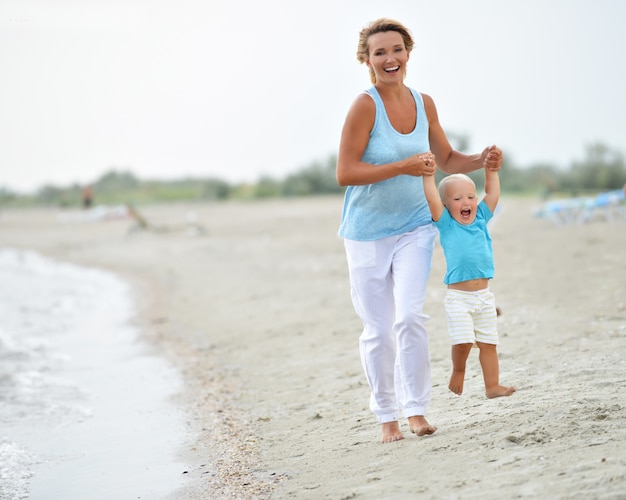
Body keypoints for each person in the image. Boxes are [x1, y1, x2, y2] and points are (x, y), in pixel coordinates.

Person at [336, 17, 504, 443]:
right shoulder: (364, 105)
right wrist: (403, 166)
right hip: (367, 232)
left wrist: (481, 159)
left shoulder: (424, 102)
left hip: (415, 225)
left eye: (396, 49)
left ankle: (415, 410)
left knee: (410, 317)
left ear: (408, 52)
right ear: (367, 59)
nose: (389, 58)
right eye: (379, 52)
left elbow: (446, 157)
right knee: (377, 328)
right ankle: (387, 417)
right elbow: (345, 172)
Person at [422, 166, 516, 398]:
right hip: (458, 298)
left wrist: (491, 170)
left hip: (484, 297)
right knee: (463, 342)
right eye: (457, 198)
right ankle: (458, 370)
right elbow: (432, 196)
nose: (467, 202)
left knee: (488, 344)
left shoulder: (482, 218)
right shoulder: (446, 223)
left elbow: (492, 194)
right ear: (445, 205)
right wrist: (427, 174)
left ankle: (492, 386)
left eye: (471, 197)